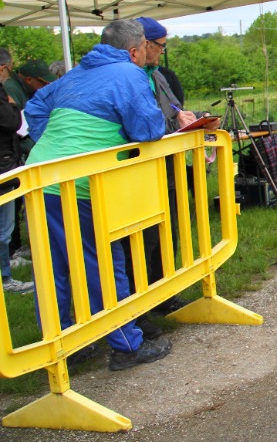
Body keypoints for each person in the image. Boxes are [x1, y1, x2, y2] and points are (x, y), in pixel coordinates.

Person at [25, 19, 172, 371]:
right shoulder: (129, 73)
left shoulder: (75, 74)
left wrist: (59, 146)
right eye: (144, 49)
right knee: (103, 262)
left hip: (39, 176)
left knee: (51, 267)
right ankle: (126, 346)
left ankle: (62, 346)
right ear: (134, 51)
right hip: (81, 182)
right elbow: (147, 128)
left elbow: (34, 110)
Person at [131, 17, 199, 319]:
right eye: (160, 46)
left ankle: (165, 294)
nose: (162, 51)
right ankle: (141, 304)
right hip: (141, 169)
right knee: (143, 239)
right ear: (144, 45)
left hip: (167, 165)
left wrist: (189, 118)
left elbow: (173, 109)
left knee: (167, 231)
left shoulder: (158, 74)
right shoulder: (129, 77)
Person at [0, 49, 33, 294]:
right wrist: (11, 106)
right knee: (4, 227)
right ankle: (5, 278)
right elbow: (12, 122)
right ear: (3, 68)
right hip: (3, 164)